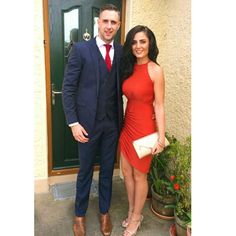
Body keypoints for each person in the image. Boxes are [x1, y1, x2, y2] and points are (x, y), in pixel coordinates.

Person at [62, 4, 123, 236]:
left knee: (107, 170)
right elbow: (68, 88)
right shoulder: (80, 49)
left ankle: (104, 212)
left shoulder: (121, 50)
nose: (109, 26)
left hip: (111, 125)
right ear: (98, 22)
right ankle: (79, 215)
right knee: (85, 170)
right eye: (105, 21)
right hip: (86, 125)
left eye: (113, 22)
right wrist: (73, 122)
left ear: (118, 25)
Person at [119, 25, 166, 236]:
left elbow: (159, 105)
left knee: (140, 175)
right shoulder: (128, 67)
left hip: (145, 128)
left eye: (143, 42)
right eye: (134, 42)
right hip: (128, 126)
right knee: (127, 173)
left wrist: (161, 137)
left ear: (150, 44)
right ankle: (132, 210)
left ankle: (137, 217)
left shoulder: (156, 70)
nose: (138, 46)